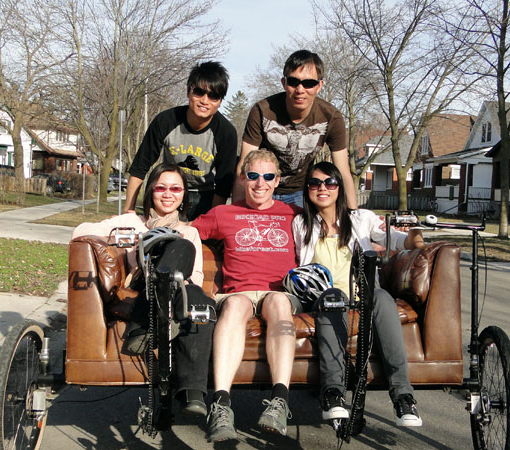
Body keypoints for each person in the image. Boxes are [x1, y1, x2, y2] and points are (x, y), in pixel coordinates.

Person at [72, 163, 213, 416]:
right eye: (161, 187)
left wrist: (178, 280)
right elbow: (80, 232)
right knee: (171, 247)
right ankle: (154, 302)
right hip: (141, 285)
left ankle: (192, 394)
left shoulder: (189, 231)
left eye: (175, 188)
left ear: (183, 196)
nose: (168, 194)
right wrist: (127, 238)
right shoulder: (131, 221)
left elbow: (197, 278)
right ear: (151, 191)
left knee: (190, 270)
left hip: (177, 289)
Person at [291, 161, 424, 427]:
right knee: (332, 299)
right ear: (307, 190)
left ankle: (403, 397)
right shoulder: (301, 224)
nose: (322, 188)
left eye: (329, 182)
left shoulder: (361, 219)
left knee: (382, 297)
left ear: (339, 187)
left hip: (363, 294)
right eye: (315, 184)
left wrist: (416, 236)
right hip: (325, 297)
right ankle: (333, 393)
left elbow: (397, 239)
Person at [192, 149, 302, 442]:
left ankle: (279, 402)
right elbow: (188, 232)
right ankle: (221, 404)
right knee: (235, 306)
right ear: (243, 178)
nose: (260, 183)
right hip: (236, 292)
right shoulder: (224, 213)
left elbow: (332, 226)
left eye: (267, 176)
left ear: (277, 181)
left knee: (279, 301)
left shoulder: (294, 215)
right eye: (253, 176)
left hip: (276, 292)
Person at [234, 50, 357, 209]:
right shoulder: (262, 111)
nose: (300, 89)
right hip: (262, 188)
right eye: (293, 82)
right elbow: (244, 164)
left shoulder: (331, 117)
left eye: (309, 83)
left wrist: (354, 215)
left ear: (319, 86)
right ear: (284, 82)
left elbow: (343, 172)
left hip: (300, 192)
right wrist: (236, 211)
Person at [123, 61, 237, 220]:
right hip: (167, 192)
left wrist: (212, 220)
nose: (205, 100)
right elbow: (139, 169)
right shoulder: (165, 121)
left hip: (204, 196)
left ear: (220, 101)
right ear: (189, 91)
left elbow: (223, 186)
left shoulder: (226, 133)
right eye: (199, 92)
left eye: (213, 96)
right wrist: (128, 212)